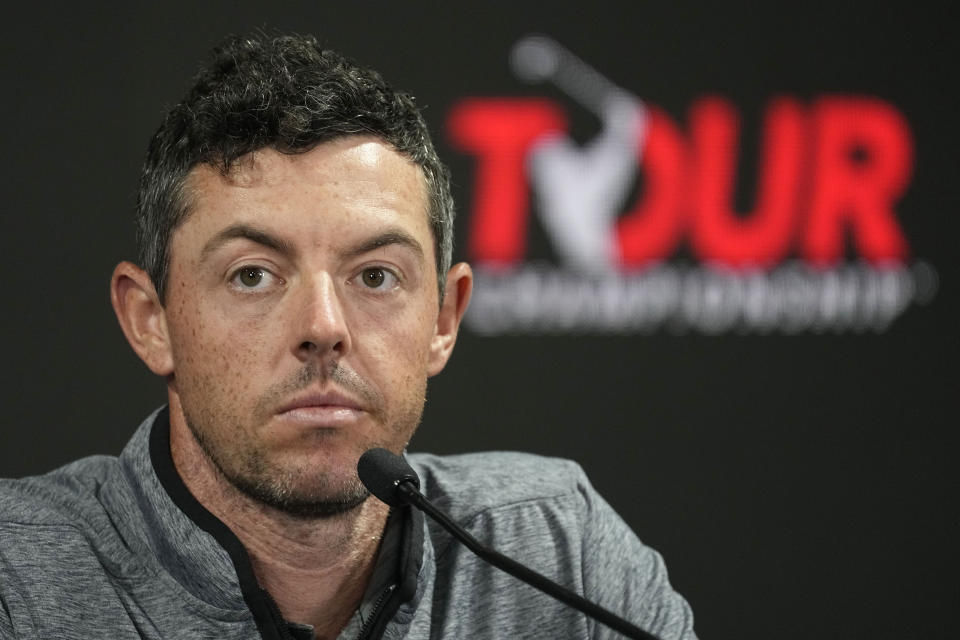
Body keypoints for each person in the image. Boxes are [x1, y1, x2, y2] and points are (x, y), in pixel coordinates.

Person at [0, 32, 696, 640]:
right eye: (252, 276)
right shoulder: (17, 579)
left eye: (375, 276)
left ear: (445, 318)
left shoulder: (555, 554)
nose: (324, 328)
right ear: (151, 321)